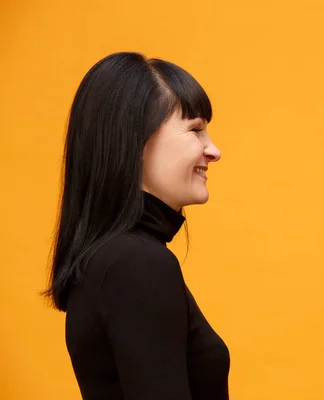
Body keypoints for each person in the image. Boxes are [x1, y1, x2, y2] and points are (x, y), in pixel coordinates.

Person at [44, 52, 229, 399]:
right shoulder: (137, 263)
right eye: (195, 130)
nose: (213, 150)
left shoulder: (110, 258)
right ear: (135, 141)